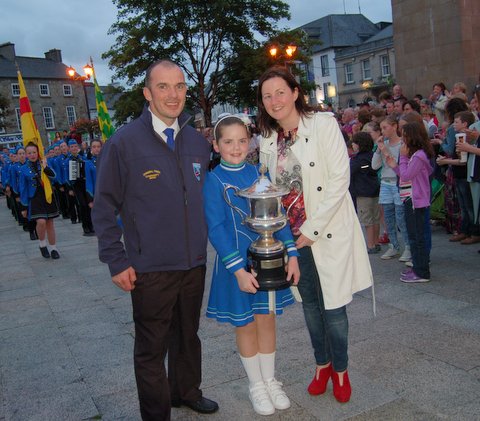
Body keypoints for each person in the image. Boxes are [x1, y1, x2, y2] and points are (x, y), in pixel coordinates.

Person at [92, 59, 218, 420]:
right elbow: (103, 206)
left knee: (188, 335)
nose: (173, 94)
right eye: (163, 87)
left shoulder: (197, 142)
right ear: (147, 93)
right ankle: (157, 413)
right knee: (151, 348)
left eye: (179, 86)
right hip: (150, 268)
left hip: (193, 261)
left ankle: (186, 390)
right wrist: (116, 260)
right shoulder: (123, 143)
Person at [257, 66, 373, 404]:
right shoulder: (267, 139)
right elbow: (268, 188)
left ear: (295, 92)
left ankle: (341, 371)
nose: (274, 100)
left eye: (280, 92)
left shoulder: (322, 124)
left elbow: (339, 181)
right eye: (267, 96)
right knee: (309, 304)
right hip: (290, 239)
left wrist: (311, 230)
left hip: (326, 231)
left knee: (334, 307)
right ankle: (321, 365)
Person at [203, 114, 300, 416]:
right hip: (237, 267)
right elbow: (216, 228)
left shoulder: (260, 175)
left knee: (266, 319)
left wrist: (292, 254)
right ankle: (255, 384)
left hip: (268, 259)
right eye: (228, 142)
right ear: (216, 145)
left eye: (242, 140)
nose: (236, 147)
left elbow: (278, 216)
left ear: (250, 142)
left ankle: (271, 380)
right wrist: (238, 270)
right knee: (245, 323)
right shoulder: (213, 180)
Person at [385, 122, 434, 282]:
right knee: (413, 235)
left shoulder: (419, 155)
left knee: (417, 237)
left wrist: (403, 157)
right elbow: (405, 174)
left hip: (416, 201)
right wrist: (394, 166)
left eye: (404, 135)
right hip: (409, 199)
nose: (403, 139)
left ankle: (422, 272)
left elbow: (406, 176)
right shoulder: (415, 155)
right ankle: (417, 267)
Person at [372, 115, 411, 261]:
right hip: (385, 182)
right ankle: (393, 246)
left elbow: (397, 164)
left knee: (401, 217)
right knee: (388, 217)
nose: (383, 131)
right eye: (381, 128)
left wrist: (385, 150)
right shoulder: (383, 144)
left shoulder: (402, 144)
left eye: (385, 127)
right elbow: (374, 166)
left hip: (398, 182)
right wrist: (378, 149)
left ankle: (408, 247)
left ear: (394, 127)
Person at [18, 143, 60, 259]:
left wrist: (46, 168)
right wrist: (24, 207)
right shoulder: (23, 169)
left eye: (34, 152)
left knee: (50, 223)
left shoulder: (44, 163)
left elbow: (55, 177)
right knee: (41, 222)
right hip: (34, 198)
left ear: (38, 152)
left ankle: (53, 248)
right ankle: (42, 244)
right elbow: (23, 189)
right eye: (29, 153)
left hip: (47, 195)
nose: (32, 155)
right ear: (26, 155)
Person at [350, 132, 380, 253]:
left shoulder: (357, 160)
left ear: (359, 144)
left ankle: (370, 245)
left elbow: (349, 172)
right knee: (376, 218)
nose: (352, 145)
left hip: (362, 193)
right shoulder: (372, 155)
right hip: (375, 190)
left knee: (367, 220)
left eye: (354, 143)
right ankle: (376, 242)